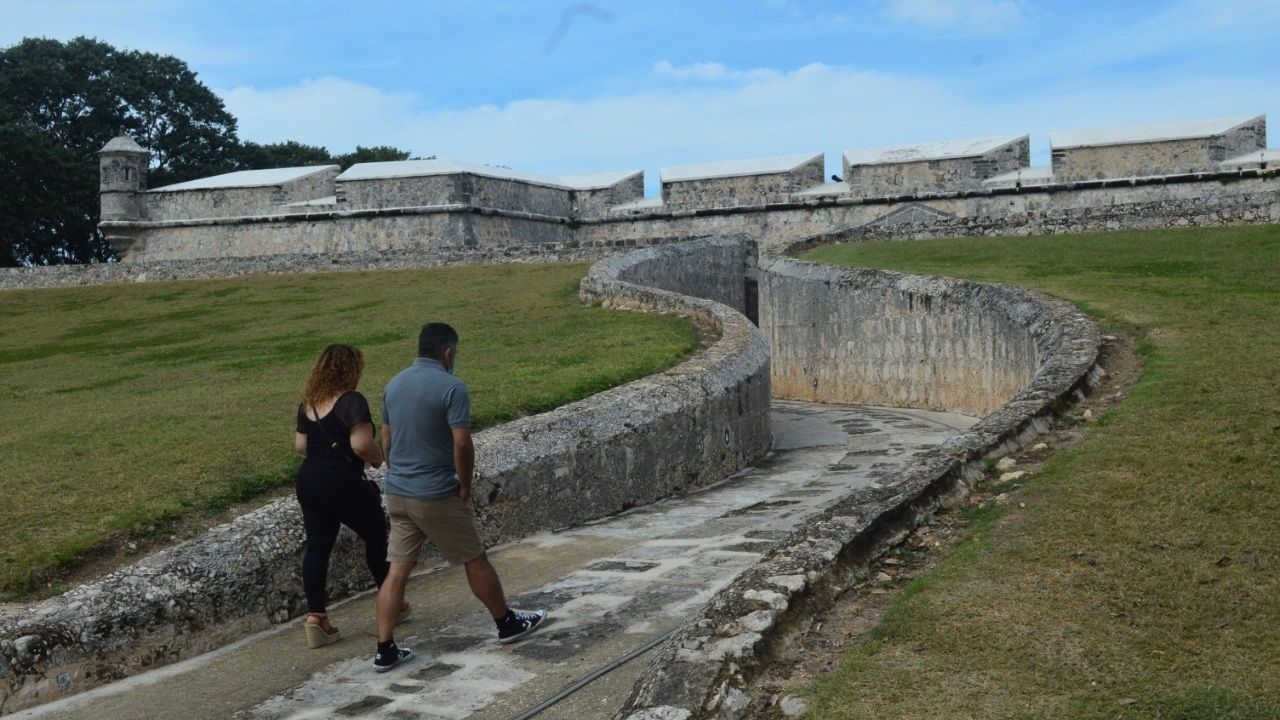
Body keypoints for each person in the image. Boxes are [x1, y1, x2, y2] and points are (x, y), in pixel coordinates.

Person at [372, 322, 546, 672]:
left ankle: (385, 648)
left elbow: (386, 439)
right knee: (474, 558)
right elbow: (462, 443)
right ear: (448, 353)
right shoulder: (452, 388)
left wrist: (398, 472)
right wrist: (464, 485)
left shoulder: (393, 385)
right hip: (435, 492)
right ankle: (506, 623)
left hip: (398, 492)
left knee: (397, 571)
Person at [293, 344, 401, 649]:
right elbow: (360, 445)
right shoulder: (351, 402)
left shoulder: (309, 403)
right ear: (351, 369)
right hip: (342, 481)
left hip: (309, 480)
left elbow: (301, 446)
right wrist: (378, 459)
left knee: (317, 547)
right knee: (377, 535)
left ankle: (317, 618)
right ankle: (392, 600)